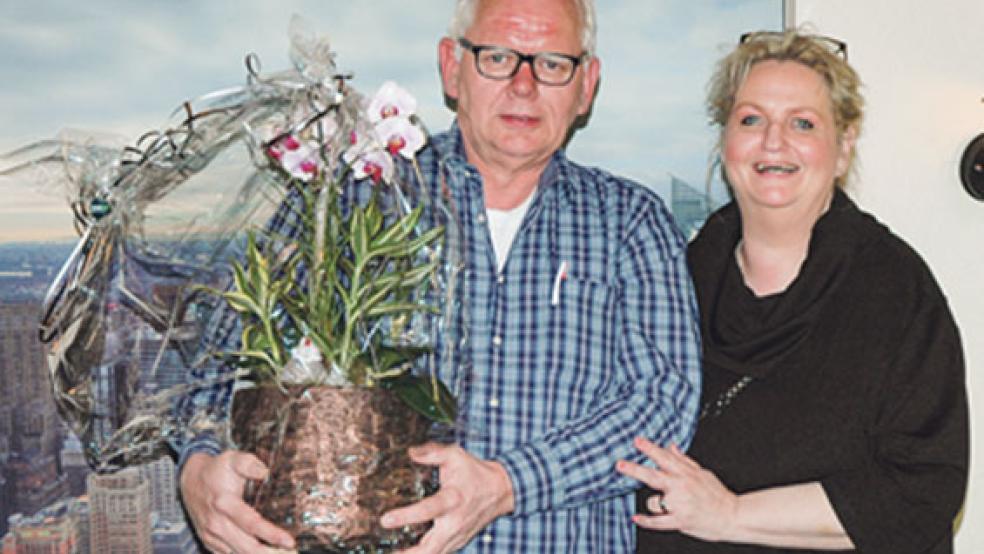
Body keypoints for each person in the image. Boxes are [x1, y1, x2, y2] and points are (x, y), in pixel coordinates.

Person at [174, 1, 702, 552]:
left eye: (552, 63)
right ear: (452, 67)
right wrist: (198, 467)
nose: (524, 85)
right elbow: (214, 362)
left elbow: (663, 405)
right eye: (498, 57)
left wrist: (506, 485)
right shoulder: (350, 195)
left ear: (586, 85)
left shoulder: (630, 222)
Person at [616, 30, 970, 553]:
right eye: (751, 120)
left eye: (802, 123)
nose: (773, 141)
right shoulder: (670, 281)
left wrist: (731, 514)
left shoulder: (895, 292)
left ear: (843, 147)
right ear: (725, 141)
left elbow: (922, 492)